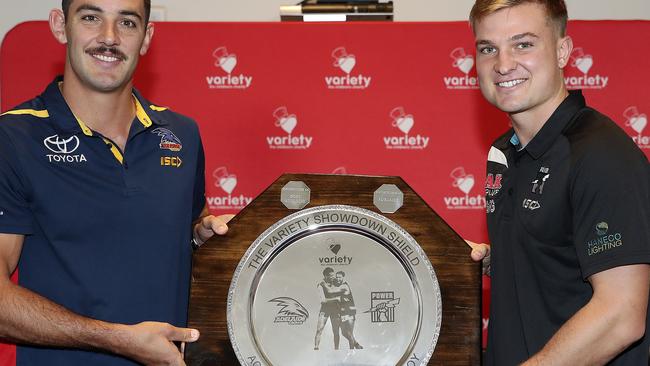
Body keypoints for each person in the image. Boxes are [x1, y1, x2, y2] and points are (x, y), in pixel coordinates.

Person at [0, 0, 233, 365]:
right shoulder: (13, 138)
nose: (109, 38)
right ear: (61, 25)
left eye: (127, 22)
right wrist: (117, 339)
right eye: (91, 18)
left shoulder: (181, 134)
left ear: (146, 37)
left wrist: (199, 237)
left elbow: (188, 231)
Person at [466, 0, 650, 365]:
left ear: (562, 50)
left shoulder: (601, 154)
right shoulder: (503, 152)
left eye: (523, 44)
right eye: (488, 48)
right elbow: (561, 256)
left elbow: (622, 315)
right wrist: (498, 260)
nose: (503, 65)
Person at [314, 267, 341, 350]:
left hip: (335, 310)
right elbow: (323, 301)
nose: (333, 277)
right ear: (325, 276)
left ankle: (336, 349)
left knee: (336, 331)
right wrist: (336, 299)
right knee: (319, 329)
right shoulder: (320, 285)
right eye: (331, 276)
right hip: (325, 309)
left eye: (333, 275)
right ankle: (316, 348)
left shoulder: (337, 283)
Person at [334, 271, 362, 350]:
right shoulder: (339, 286)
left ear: (343, 277)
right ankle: (356, 344)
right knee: (344, 333)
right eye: (337, 277)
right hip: (343, 313)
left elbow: (333, 291)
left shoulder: (344, 286)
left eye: (339, 277)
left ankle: (351, 351)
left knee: (349, 333)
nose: (338, 279)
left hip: (349, 313)